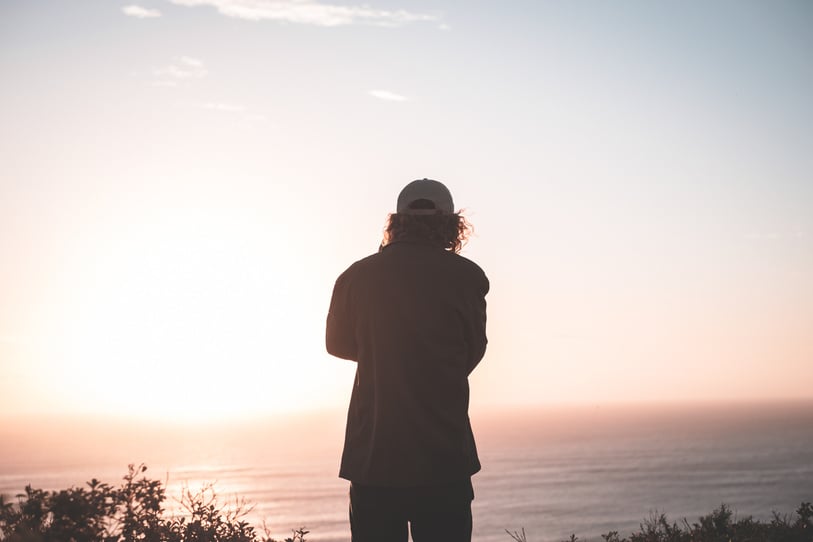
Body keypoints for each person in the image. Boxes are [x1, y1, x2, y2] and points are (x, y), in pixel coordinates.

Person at [326, 178, 489, 542]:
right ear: (452, 224)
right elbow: (472, 351)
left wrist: (381, 354)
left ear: (395, 222)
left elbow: (336, 344)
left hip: (374, 457)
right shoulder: (468, 277)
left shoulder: (356, 276)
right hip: (444, 456)